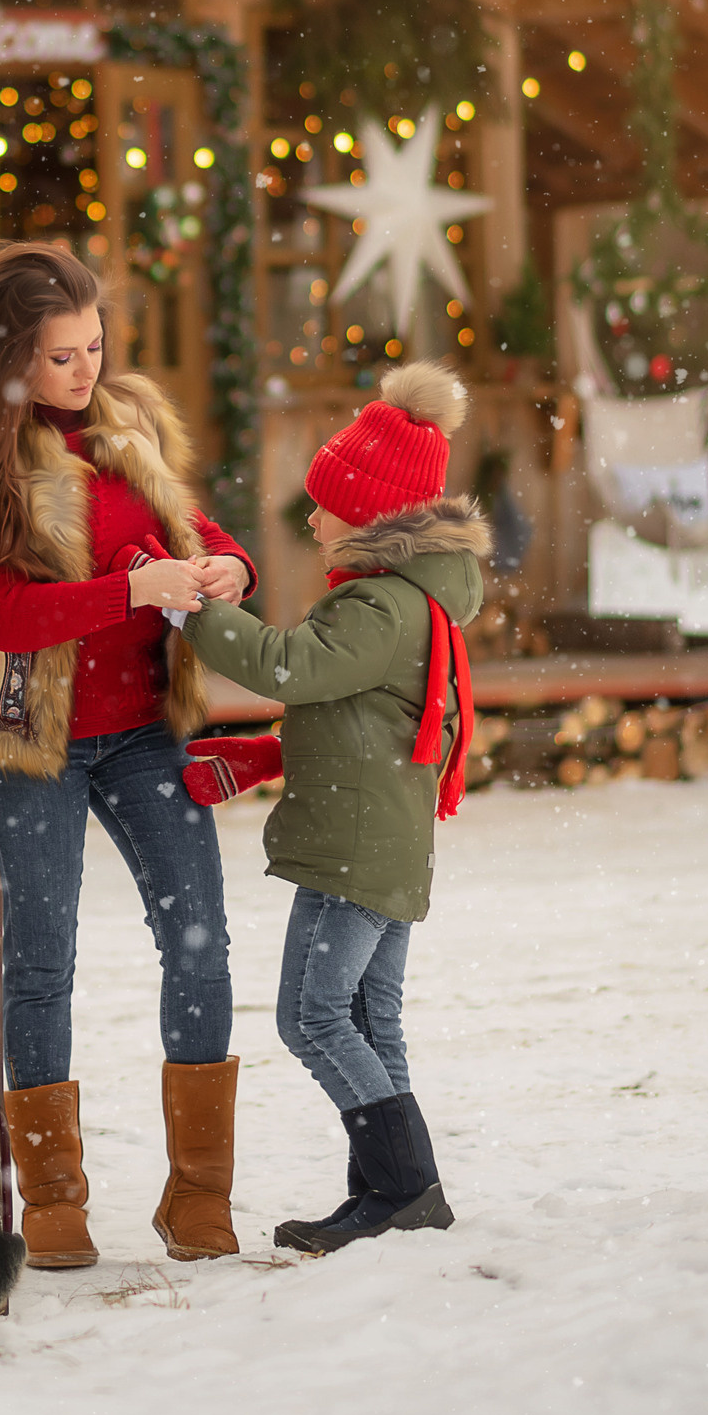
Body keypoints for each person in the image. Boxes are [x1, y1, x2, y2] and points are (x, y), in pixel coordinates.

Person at [0, 241, 258, 1269]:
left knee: (198, 938)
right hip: (23, 740)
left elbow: (198, 528)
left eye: (93, 347)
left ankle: (198, 1190)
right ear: (13, 357)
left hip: (142, 725)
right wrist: (131, 591)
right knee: (40, 961)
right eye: (62, 356)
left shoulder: (125, 427)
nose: (85, 370)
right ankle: (50, 1195)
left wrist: (225, 563)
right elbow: (8, 615)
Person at [184, 360, 488, 1254]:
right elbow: (351, 719)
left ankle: (399, 1186)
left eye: (324, 503)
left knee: (312, 1017)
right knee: (367, 1016)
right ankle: (394, 1192)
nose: (310, 518)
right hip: (384, 842)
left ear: (374, 516)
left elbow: (288, 666)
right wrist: (271, 752)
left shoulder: (378, 607)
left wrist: (192, 610)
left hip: (356, 850)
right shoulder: (413, 600)